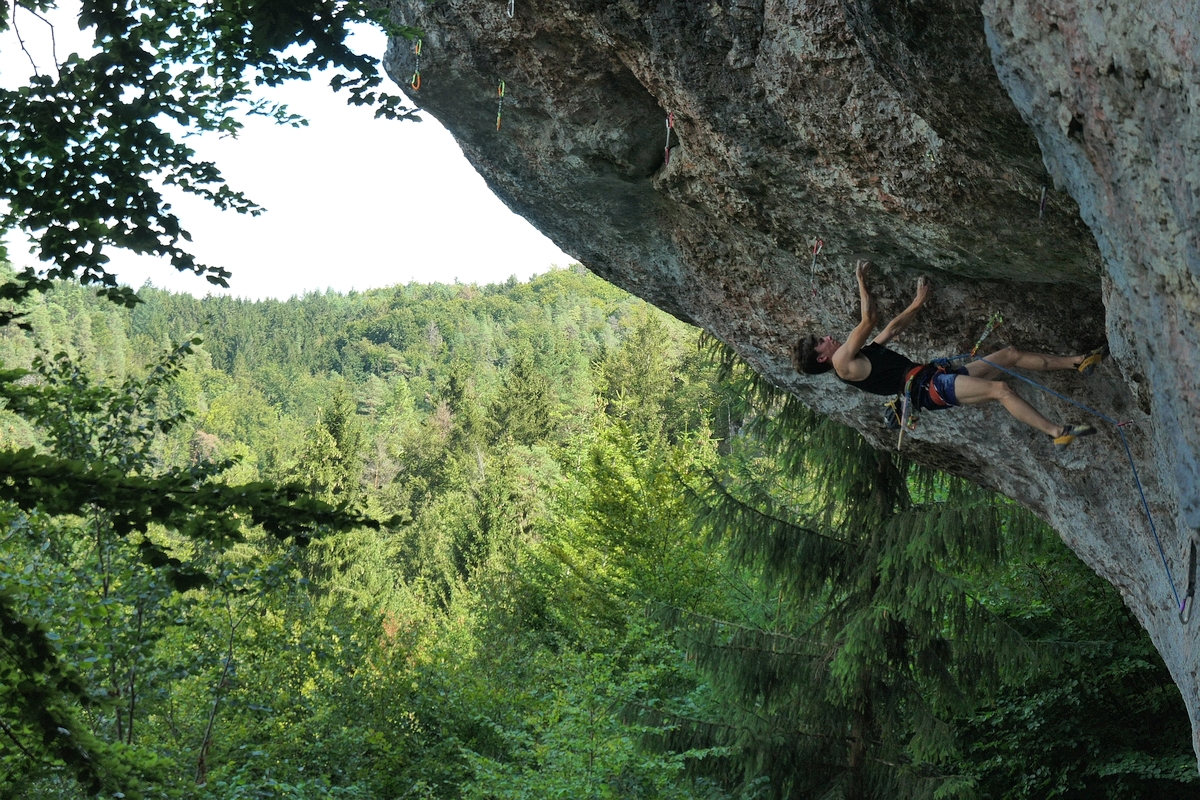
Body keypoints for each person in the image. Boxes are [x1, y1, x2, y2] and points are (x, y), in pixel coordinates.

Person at [791, 260, 1107, 446]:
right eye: (822, 340)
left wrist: (918, 303)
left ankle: (1079, 362)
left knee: (1009, 354)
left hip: (933, 378)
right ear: (822, 357)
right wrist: (860, 282)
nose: (828, 337)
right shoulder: (843, 363)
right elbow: (870, 319)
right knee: (1000, 389)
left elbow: (891, 330)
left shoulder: (859, 356)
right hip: (929, 389)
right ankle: (1057, 432)